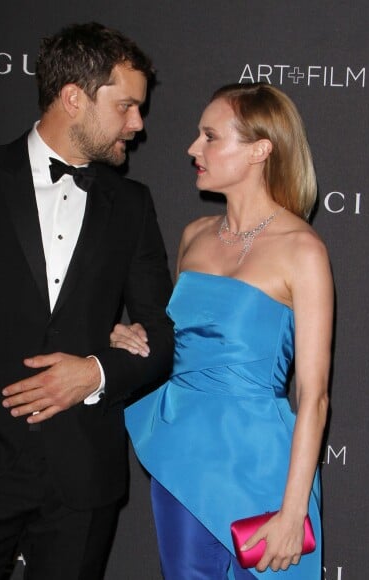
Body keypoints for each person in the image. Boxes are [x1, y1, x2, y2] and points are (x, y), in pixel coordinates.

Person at [0, 22, 174, 580]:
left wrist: (94, 373)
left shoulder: (132, 205)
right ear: (73, 98)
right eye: (126, 106)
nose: (138, 125)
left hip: (82, 477)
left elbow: (163, 333)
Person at [111, 82, 333, 578]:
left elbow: (313, 395)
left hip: (263, 468)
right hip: (183, 460)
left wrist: (292, 511)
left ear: (259, 150)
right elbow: (175, 344)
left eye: (210, 136)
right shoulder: (194, 235)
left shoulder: (303, 250)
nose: (193, 148)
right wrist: (130, 338)